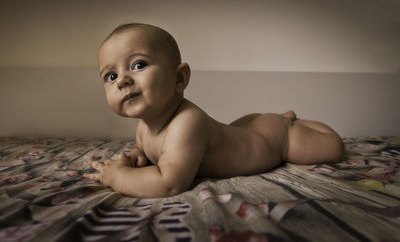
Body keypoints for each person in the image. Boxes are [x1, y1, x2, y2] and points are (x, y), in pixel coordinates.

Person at [84, 23, 344, 198]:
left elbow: (169, 183)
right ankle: (277, 118)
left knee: (333, 149)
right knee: (241, 128)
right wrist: (137, 155)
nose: (122, 81)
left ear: (179, 79)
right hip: (244, 129)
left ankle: (288, 122)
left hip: (274, 142)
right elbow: (147, 149)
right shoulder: (145, 126)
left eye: (138, 65)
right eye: (110, 76)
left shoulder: (187, 122)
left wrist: (118, 177)